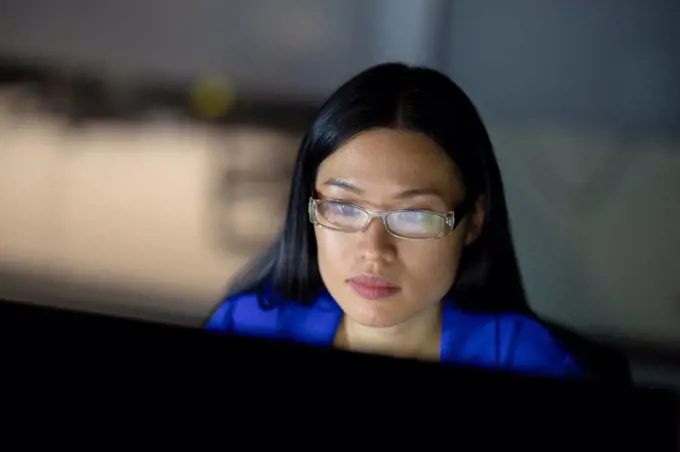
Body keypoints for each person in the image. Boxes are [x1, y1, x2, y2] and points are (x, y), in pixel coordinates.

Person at [205, 62, 582, 379]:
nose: (375, 251)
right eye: (344, 207)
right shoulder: (246, 323)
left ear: (474, 220)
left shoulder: (523, 359)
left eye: (414, 216)